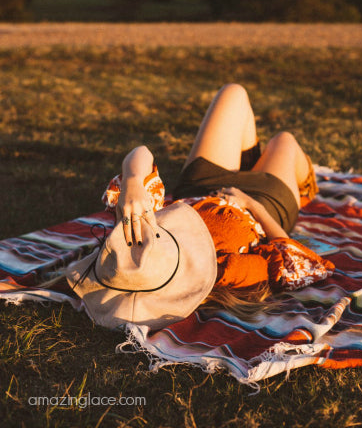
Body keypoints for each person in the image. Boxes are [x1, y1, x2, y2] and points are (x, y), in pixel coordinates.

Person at [67, 84, 331, 331]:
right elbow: (293, 259)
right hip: (262, 203)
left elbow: (141, 152)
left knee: (234, 92)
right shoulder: (222, 272)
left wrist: (133, 182)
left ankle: (251, 162)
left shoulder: (137, 238)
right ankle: (296, 180)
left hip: (199, 186)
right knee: (284, 141)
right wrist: (250, 203)